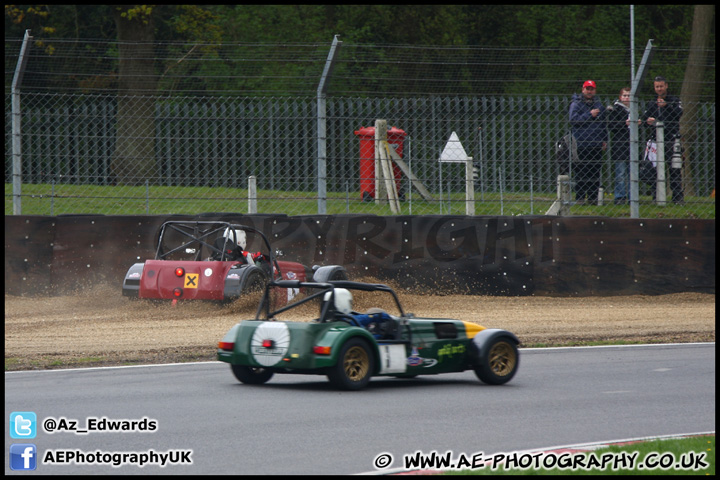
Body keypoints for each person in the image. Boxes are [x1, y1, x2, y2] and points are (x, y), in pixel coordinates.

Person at [641, 76, 684, 204]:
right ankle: (657, 196)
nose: (659, 89)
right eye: (657, 87)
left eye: (661, 86)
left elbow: (679, 113)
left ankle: (677, 198)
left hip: (671, 139)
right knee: (654, 170)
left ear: (666, 86)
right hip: (655, 141)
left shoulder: (674, 100)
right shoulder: (651, 103)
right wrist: (647, 121)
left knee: (674, 169)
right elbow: (643, 118)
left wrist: (667, 106)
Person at [569, 80, 608, 204]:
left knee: (595, 173)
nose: (589, 91)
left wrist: (604, 139)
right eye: (587, 89)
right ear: (583, 89)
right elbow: (574, 120)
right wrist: (589, 115)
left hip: (596, 144)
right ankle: (580, 198)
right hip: (581, 144)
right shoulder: (576, 104)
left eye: (592, 89)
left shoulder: (599, 105)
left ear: (595, 91)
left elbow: (603, 124)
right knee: (581, 172)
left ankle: (592, 199)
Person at [606, 87, 632, 205]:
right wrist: (624, 124)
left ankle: (633, 197)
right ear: (620, 97)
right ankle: (620, 197)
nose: (627, 98)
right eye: (625, 95)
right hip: (620, 146)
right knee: (620, 173)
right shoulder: (615, 110)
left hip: (632, 146)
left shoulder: (634, 110)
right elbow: (611, 125)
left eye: (629, 95)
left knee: (632, 173)